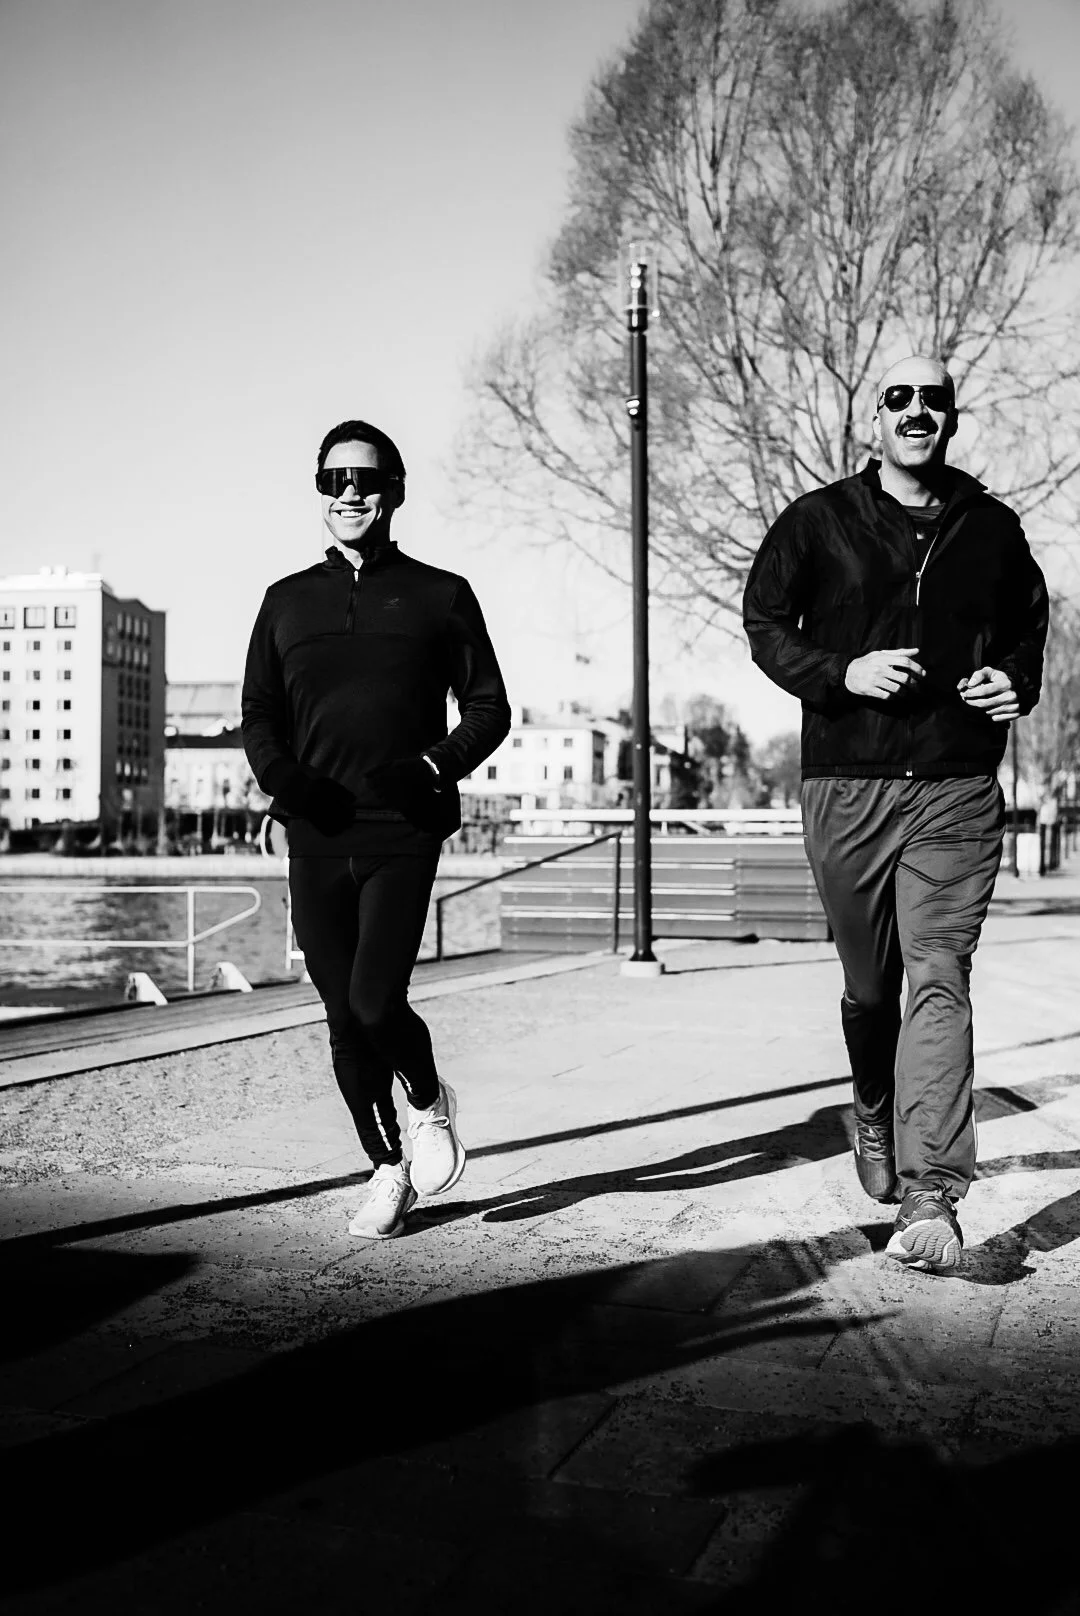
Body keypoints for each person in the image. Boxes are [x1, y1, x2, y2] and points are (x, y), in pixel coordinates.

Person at [743, 356, 1049, 1273]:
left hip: (956, 788)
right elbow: (765, 624)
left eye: (934, 399)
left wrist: (1016, 682)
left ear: (952, 417)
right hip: (849, 784)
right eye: (899, 397)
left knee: (939, 975)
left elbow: (1029, 623)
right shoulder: (818, 522)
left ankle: (933, 1197)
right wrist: (841, 674)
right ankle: (871, 1103)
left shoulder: (992, 530)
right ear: (873, 416)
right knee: (872, 990)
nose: (918, 411)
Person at [242, 420, 511, 1238]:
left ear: (394, 489)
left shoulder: (440, 594)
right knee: (339, 1016)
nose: (349, 492)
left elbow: (490, 708)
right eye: (333, 480)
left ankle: (429, 1103)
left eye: (364, 479)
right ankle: (386, 1167)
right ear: (320, 493)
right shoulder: (285, 601)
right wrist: (286, 784)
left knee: (373, 998)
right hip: (315, 831)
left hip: (403, 827)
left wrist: (432, 767)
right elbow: (259, 717)